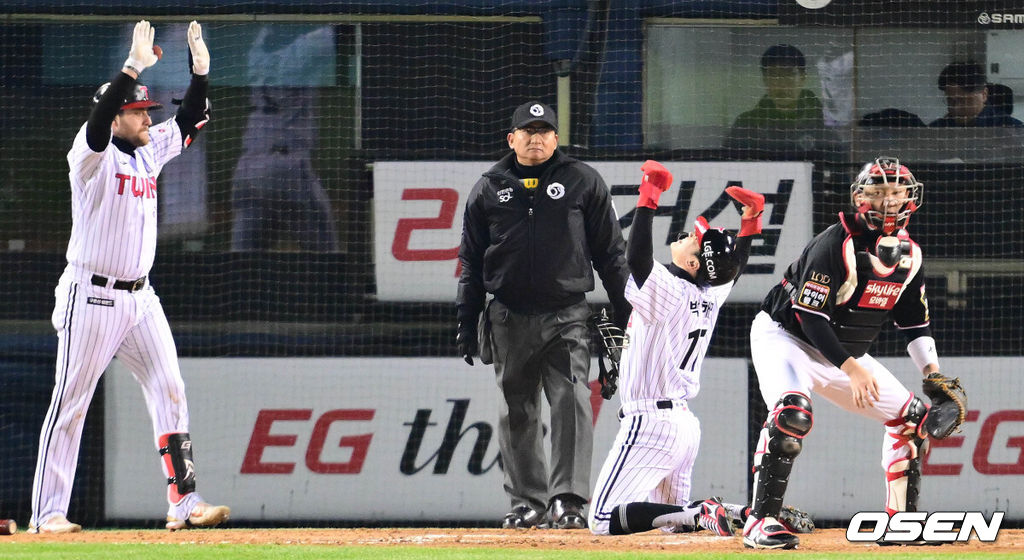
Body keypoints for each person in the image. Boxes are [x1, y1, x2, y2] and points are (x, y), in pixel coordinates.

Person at [29, 20, 229, 534]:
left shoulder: (146, 150)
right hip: (90, 294)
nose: (146, 117)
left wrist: (200, 73)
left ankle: (185, 504)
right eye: (138, 110)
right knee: (70, 403)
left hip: (141, 297)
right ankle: (48, 513)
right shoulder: (89, 156)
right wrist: (131, 68)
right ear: (118, 115)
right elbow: (98, 124)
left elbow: (189, 121)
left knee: (171, 388)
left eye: (145, 110)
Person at [741, 156, 942, 549]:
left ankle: (900, 522)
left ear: (910, 198)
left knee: (912, 418)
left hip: (841, 352)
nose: (889, 201)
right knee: (792, 414)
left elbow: (915, 324)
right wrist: (852, 369)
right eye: (879, 192)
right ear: (860, 196)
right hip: (787, 337)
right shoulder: (835, 243)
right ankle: (759, 523)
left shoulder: (910, 255)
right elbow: (811, 319)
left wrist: (934, 376)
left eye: (896, 192)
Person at [456, 101, 631, 529]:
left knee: (571, 402)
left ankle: (568, 500)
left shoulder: (583, 180)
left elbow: (611, 254)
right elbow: (470, 261)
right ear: (511, 138)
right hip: (508, 315)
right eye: (527, 131)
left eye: (545, 131)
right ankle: (527, 502)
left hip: (567, 313)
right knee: (516, 410)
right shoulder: (487, 187)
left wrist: (628, 312)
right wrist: (466, 320)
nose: (537, 138)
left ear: (556, 138)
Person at [587, 162, 764, 536]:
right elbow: (735, 266)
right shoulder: (710, 291)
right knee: (674, 523)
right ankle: (731, 512)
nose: (687, 235)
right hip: (682, 426)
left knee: (603, 519)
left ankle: (702, 513)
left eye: (694, 240)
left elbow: (635, 260)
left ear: (694, 262)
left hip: (650, 422)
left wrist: (649, 195)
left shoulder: (671, 288)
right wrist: (751, 221)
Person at [230, 25, 340, 251]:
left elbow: (270, 30)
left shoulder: (256, 52)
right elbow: (346, 28)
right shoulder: (305, 49)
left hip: (248, 169)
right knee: (327, 258)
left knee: (241, 263)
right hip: (285, 167)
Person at [723, 44, 835, 158]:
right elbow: (727, 168)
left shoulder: (823, 124)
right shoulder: (746, 125)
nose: (781, 84)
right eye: (773, 75)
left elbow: (839, 169)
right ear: (764, 79)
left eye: (789, 74)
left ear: (803, 78)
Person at [929, 62, 1023, 127]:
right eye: (950, 100)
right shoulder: (937, 129)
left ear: (984, 95)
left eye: (963, 100)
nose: (955, 108)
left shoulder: (1013, 130)